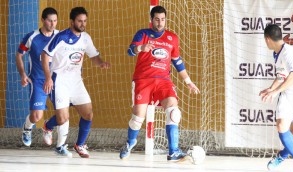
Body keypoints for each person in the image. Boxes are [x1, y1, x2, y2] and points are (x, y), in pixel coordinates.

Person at [119, 6, 200, 161]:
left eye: (163, 19)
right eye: (157, 19)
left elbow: (177, 61)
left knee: (174, 111)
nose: (160, 22)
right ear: (151, 20)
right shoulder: (143, 34)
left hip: (163, 81)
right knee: (137, 119)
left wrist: (188, 82)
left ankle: (173, 151)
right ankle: (130, 143)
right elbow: (130, 51)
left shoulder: (172, 38)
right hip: (143, 80)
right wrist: (141, 47)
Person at [41, 6, 110, 158]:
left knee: (88, 114)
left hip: (76, 81)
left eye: (85, 21)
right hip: (59, 81)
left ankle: (80, 145)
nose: (83, 24)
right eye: (79, 21)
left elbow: (93, 56)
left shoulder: (86, 38)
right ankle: (48, 127)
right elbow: (44, 56)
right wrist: (47, 78)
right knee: (63, 119)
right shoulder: (61, 37)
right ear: (72, 22)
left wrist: (101, 63)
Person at [16, 7, 71, 157]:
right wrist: (23, 75)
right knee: (36, 117)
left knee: (63, 115)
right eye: (49, 20)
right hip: (38, 80)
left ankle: (48, 128)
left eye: (55, 21)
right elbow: (19, 55)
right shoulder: (32, 37)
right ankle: (27, 128)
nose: (53, 24)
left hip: (57, 81)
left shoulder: (61, 36)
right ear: (42, 20)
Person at [259, 24, 293, 172]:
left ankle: (282, 156)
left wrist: (276, 91)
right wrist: (271, 89)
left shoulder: (290, 53)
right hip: (287, 94)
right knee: (281, 125)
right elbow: (281, 76)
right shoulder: (277, 53)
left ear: (267, 39)